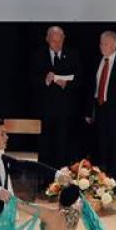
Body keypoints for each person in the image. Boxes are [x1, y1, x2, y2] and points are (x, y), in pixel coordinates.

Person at [85, 31, 116, 194]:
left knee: (115, 150)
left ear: (114, 45)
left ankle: (115, 186)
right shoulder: (98, 61)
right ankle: (99, 184)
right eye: (100, 43)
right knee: (99, 148)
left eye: (104, 43)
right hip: (99, 110)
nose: (101, 46)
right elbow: (92, 88)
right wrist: (89, 111)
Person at [31, 26, 81, 167]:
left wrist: (66, 84)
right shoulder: (38, 56)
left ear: (64, 39)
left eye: (60, 41)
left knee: (63, 145)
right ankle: (45, 178)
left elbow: (80, 80)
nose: (57, 45)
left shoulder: (73, 55)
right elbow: (31, 80)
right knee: (45, 145)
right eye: (54, 42)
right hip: (45, 110)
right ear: (47, 40)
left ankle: (62, 178)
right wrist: (45, 80)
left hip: (66, 111)